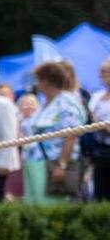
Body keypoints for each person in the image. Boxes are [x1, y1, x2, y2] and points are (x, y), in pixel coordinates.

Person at [22, 61, 86, 204]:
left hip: (52, 165)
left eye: (38, 80)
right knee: (33, 208)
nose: (36, 84)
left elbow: (71, 135)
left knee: (50, 209)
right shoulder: (45, 103)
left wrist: (62, 165)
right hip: (35, 164)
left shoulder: (66, 102)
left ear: (47, 81)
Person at [90, 59, 110, 202]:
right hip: (99, 151)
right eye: (101, 71)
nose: (101, 75)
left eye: (105, 71)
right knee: (99, 194)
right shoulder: (96, 97)